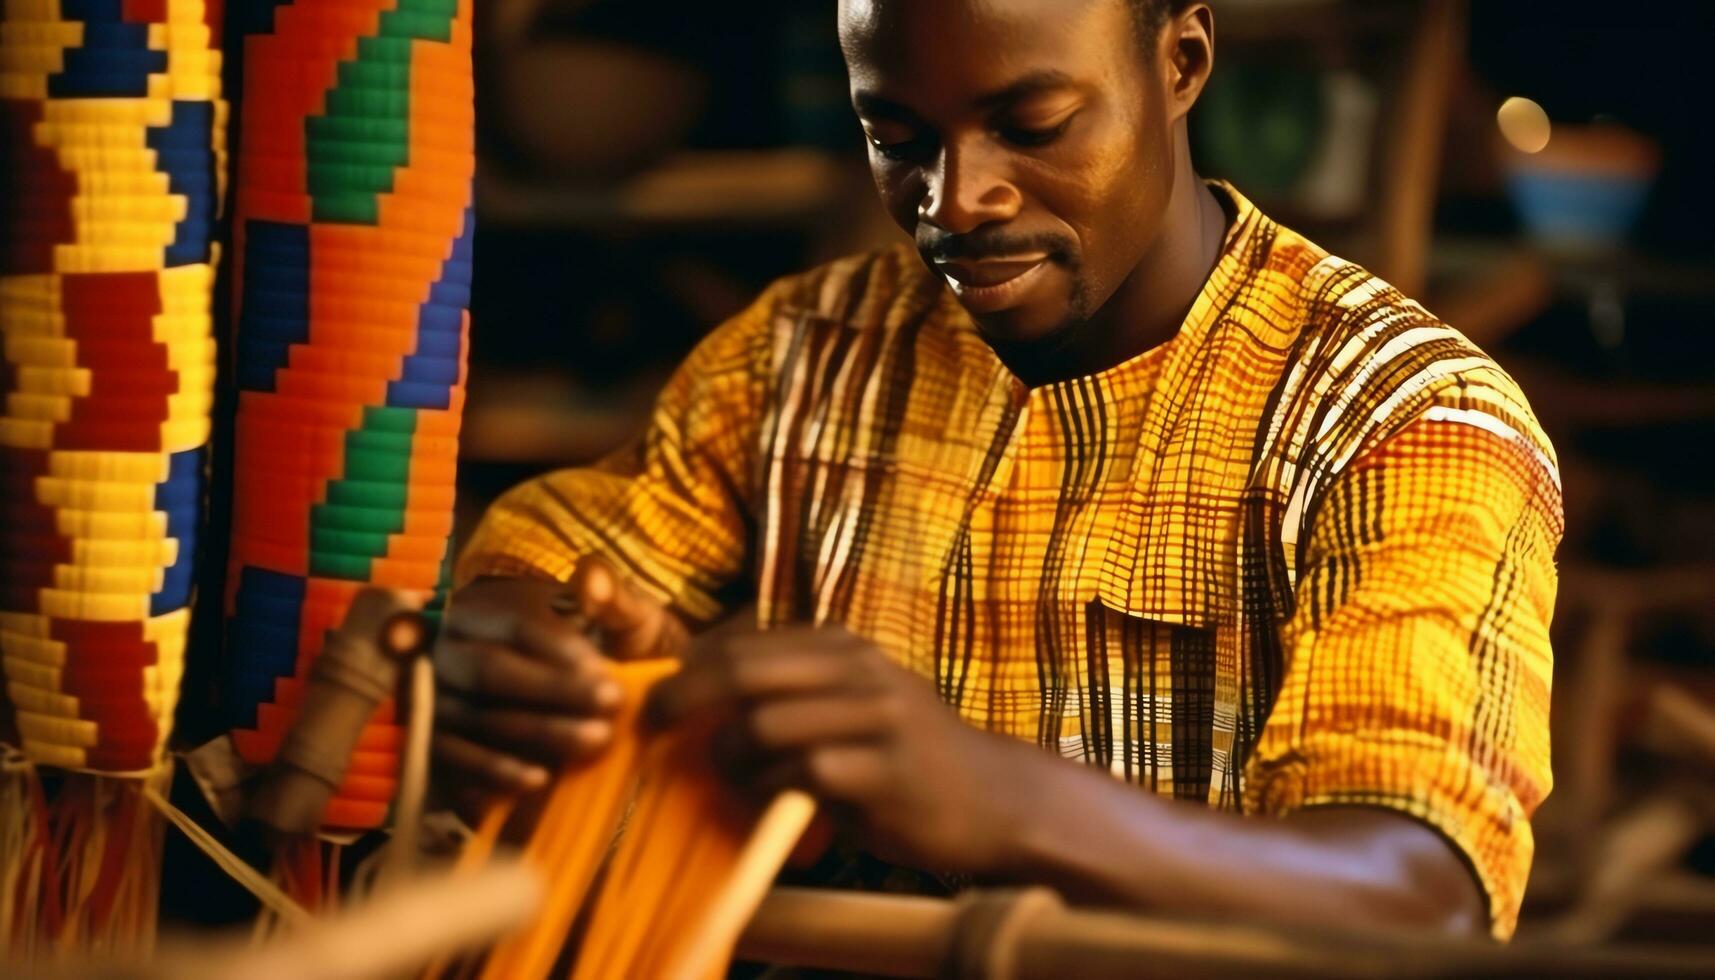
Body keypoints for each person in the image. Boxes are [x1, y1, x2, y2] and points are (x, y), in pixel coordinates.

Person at [434, 0, 1562, 940]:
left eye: (1032, 123)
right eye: (897, 138)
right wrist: (524, 652)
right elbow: (551, 555)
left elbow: (1422, 891)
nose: (955, 199)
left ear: (1179, 64)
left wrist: (993, 796)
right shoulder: (803, 355)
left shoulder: (1398, 417)